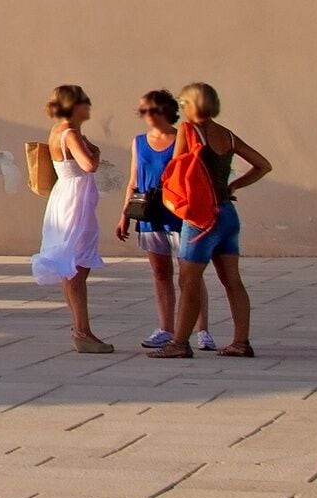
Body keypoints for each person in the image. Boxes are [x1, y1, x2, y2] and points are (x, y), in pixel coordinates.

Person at [150, 80, 271, 359]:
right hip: (228, 213)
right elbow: (263, 165)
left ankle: (179, 343)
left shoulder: (189, 131)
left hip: (201, 217)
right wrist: (234, 185)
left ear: (190, 105)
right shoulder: (227, 135)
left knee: (189, 281)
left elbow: (176, 168)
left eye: (183, 104)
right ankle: (241, 341)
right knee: (233, 281)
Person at [116, 90, 203, 350]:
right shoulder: (139, 142)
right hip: (150, 214)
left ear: (165, 111)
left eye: (151, 110)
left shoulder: (182, 138)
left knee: (190, 275)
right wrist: (125, 215)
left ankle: (202, 329)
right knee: (160, 272)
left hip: (178, 212)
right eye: (143, 111)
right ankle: (166, 327)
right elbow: (133, 181)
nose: (147, 116)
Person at [31, 84, 110, 352]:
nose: (89, 107)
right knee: (78, 265)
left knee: (71, 264)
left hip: (66, 196)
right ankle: (82, 330)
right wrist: (96, 153)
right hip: (75, 200)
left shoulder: (58, 131)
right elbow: (89, 166)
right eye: (84, 103)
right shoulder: (70, 133)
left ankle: (80, 329)